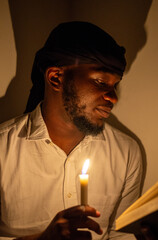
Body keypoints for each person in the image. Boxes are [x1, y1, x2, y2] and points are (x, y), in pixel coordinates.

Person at [0, 21, 143, 240]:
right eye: (100, 81)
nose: (113, 97)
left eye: (114, 85)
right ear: (56, 78)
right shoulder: (2, 150)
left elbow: (121, 235)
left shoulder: (127, 153)